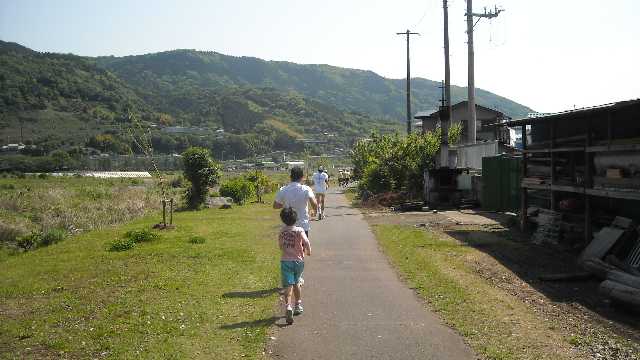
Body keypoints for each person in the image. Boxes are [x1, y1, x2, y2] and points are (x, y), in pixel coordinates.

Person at [278, 207, 311, 325]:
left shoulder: (282, 231)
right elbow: (306, 242)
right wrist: (308, 250)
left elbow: (280, 246)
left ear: (283, 219)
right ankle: (298, 305)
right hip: (298, 261)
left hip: (286, 261)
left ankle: (288, 306)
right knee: (297, 282)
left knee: (288, 285)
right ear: (296, 219)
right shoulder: (299, 230)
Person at [273, 166, 318, 237]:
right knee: (303, 246)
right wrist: (314, 211)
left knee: (289, 246)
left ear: (290, 177)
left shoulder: (283, 189)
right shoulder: (306, 189)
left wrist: (284, 205)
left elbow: (275, 205)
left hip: (288, 226)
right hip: (302, 225)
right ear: (302, 177)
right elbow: (314, 203)